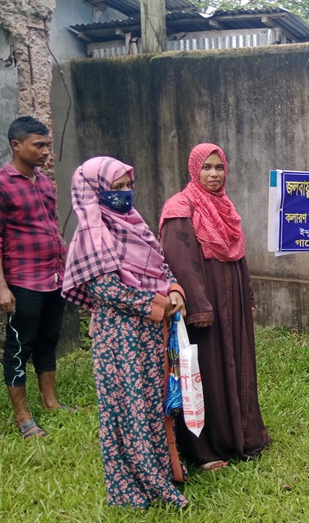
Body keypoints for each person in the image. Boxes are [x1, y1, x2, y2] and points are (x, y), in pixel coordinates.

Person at [62, 156, 188, 508]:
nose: (123, 194)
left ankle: (161, 475)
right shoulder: (91, 232)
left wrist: (175, 289)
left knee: (151, 404)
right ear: (93, 191)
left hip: (151, 335)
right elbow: (103, 289)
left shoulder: (135, 224)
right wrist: (156, 304)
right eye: (114, 188)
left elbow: (161, 266)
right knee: (126, 407)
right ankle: (131, 487)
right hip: (119, 338)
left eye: (126, 186)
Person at [159, 143, 271, 472]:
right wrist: (199, 309)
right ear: (194, 169)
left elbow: (238, 256)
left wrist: (246, 296)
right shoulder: (180, 207)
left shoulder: (224, 206)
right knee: (205, 371)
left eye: (218, 167)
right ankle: (204, 449)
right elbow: (179, 262)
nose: (213, 174)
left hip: (231, 303)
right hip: (202, 309)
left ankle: (241, 436)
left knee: (236, 364)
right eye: (206, 167)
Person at [1, 116, 68, 440]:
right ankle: (23, 417)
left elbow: (52, 227)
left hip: (54, 277)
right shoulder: (2, 184)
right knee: (19, 346)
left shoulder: (44, 181)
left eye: (47, 144)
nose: (45, 151)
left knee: (48, 341)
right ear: (17, 146)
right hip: (23, 280)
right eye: (38, 145)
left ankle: (52, 402)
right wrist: (2, 287)